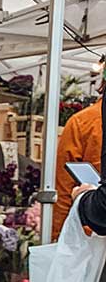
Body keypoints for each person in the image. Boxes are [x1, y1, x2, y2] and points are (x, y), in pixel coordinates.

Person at [52, 94, 102, 239]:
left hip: (91, 234)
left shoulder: (82, 122)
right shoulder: (84, 122)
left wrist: (58, 238)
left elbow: (63, 190)